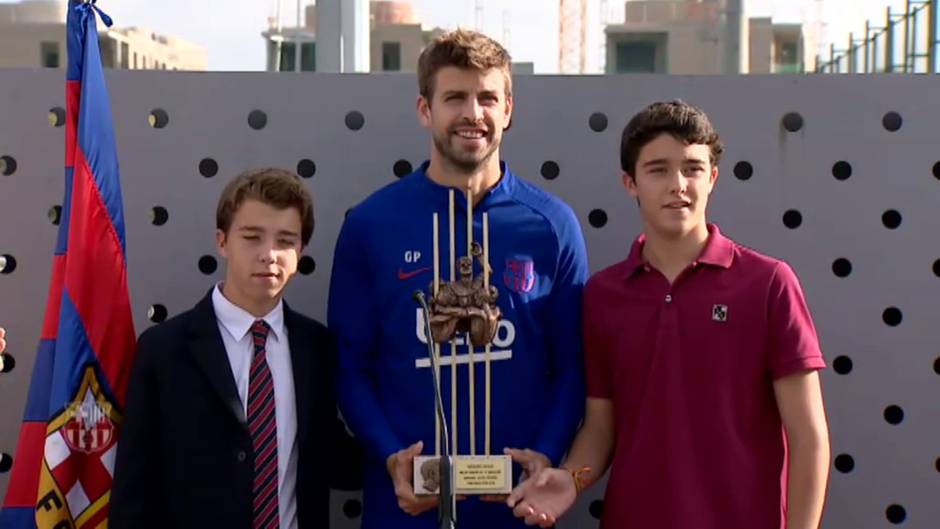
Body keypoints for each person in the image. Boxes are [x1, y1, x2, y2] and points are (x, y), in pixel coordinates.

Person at [507, 100, 830, 529]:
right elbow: (601, 429)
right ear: (630, 183)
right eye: (658, 169)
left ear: (712, 178)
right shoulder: (604, 295)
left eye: (692, 168)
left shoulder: (769, 283)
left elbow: (809, 438)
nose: (677, 184)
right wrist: (571, 479)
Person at [328, 29, 588, 528]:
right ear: (426, 110)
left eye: (487, 97)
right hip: (404, 509)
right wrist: (388, 455)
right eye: (455, 98)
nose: (473, 113)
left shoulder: (551, 226)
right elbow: (350, 368)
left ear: (508, 108)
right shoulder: (371, 224)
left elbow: (573, 367)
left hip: (518, 510)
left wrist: (547, 452)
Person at [112, 168, 359, 529]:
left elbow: (328, 454)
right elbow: (135, 482)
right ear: (222, 241)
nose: (269, 255)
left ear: (301, 250)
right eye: (252, 237)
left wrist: (408, 461)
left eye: (285, 240)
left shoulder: (316, 348)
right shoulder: (165, 349)